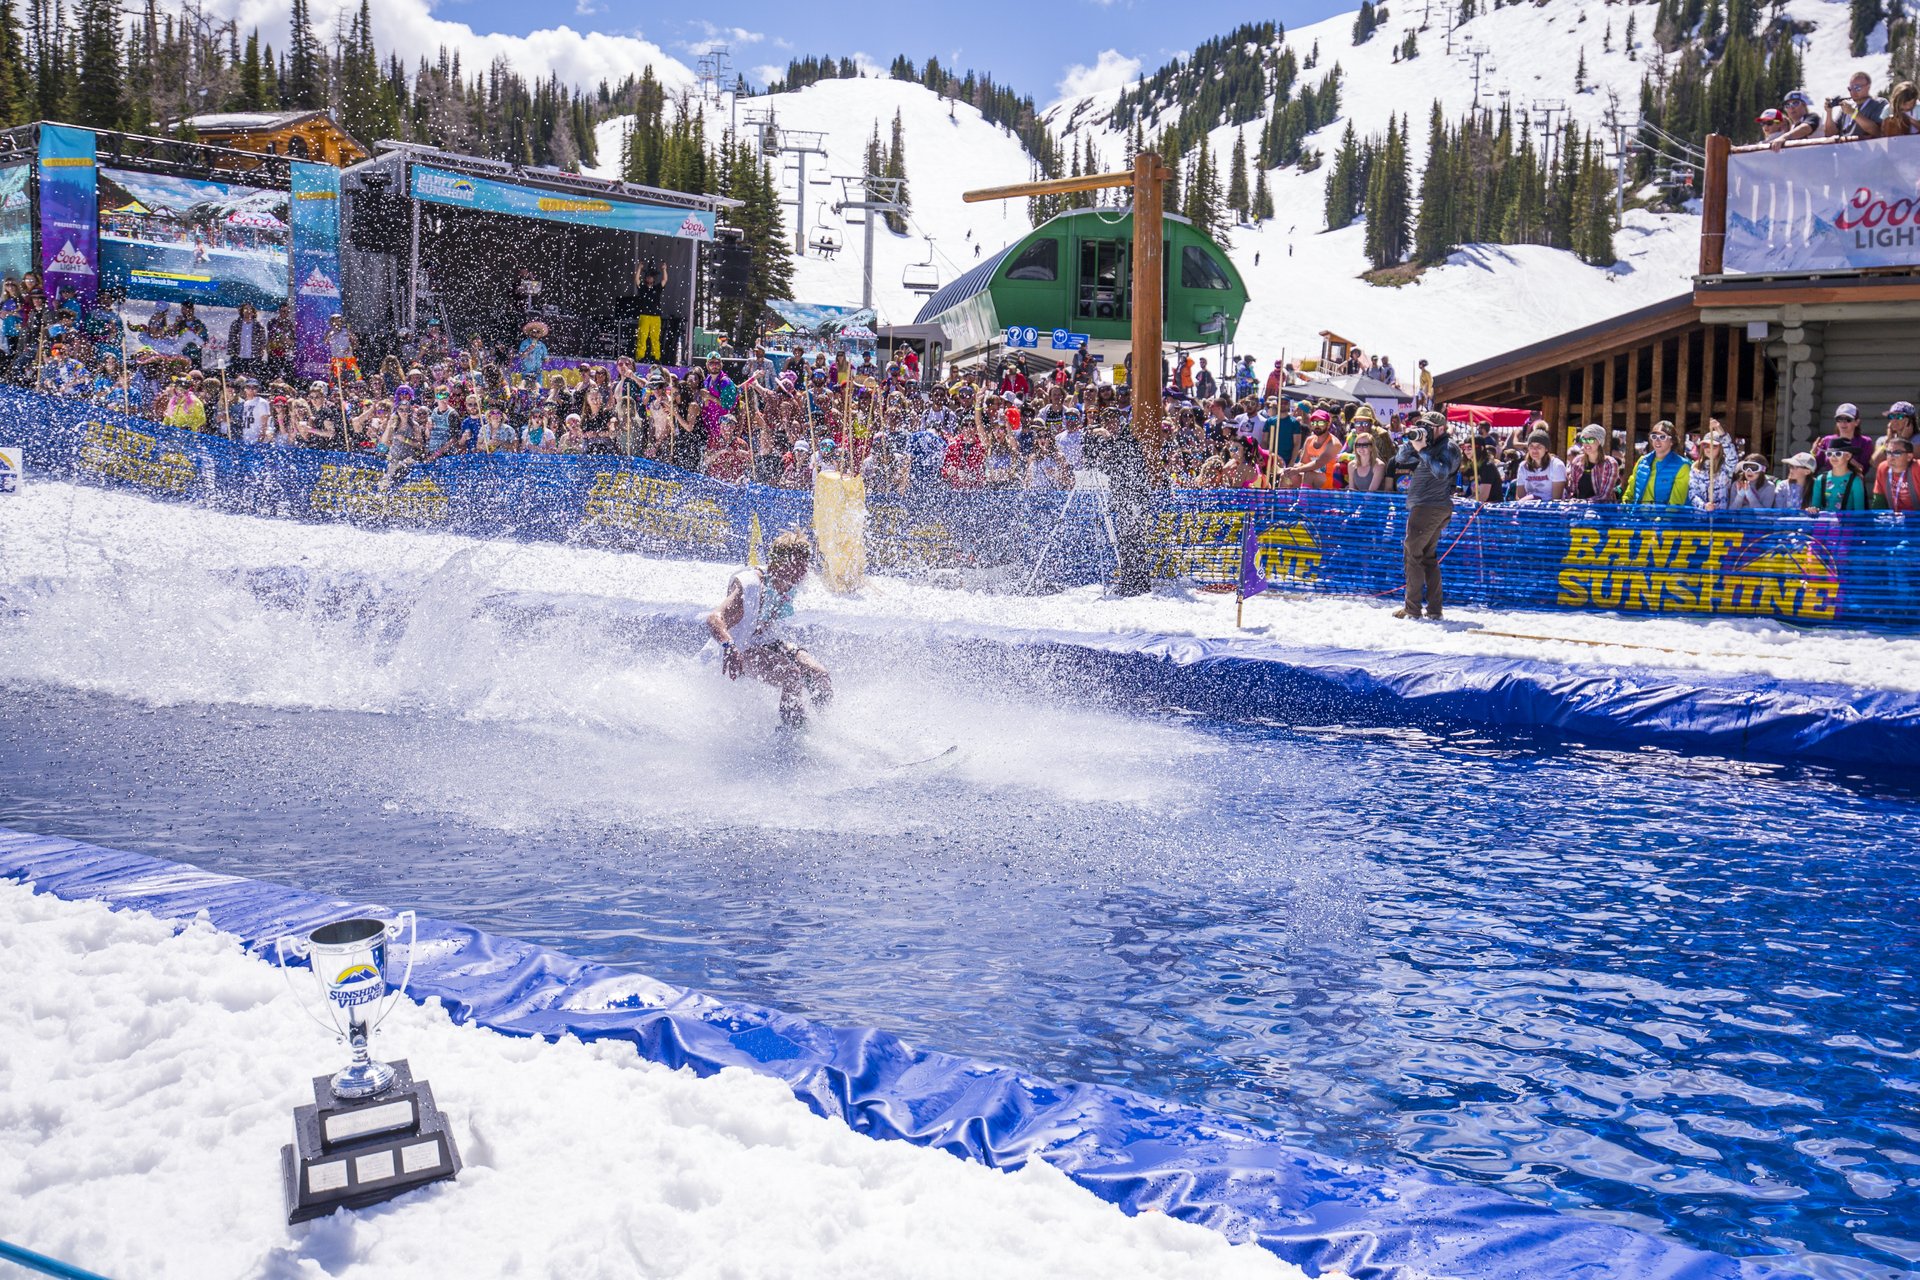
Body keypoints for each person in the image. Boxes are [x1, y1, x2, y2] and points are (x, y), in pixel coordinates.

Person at [705, 531, 833, 730]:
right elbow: (714, 618)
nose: (804, 571)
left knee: (819, 674)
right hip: (739, 650)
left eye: (805, 564)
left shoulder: (787, 584)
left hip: (765, 643)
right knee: (791, 675)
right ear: (780, 563)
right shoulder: (750, 585)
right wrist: (729, 646)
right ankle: (793, 736)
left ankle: (826, 726)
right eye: (798, 565)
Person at [1393, 412, 1461, 620]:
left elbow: (1442, 472)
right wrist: (1412, 440)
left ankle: (1412, 608)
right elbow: (1399, 460)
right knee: (1428, 558)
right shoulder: (1425, 445)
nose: (1426, 430)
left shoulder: (1449, 447)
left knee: (1412, 555)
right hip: (1425, 507)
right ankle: (1434, 609)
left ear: (1441, 428)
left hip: (1430, 507)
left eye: (1429, 427)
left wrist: (1423, 450)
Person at [1622, 420, 1691, 504]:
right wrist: (1626, 506)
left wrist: (1661, 517)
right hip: (1638, 516)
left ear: (1672, 441)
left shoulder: (1683, 466)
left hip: (1665, 516)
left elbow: (1675, 504)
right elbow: (1630, 492)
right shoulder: (1642, 461)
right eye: (1654, 437)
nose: (1657, 441)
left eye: (1662, 437)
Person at [1816, 403, 1876, 475]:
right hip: (1829, 484)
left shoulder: (1865, 442)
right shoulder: (1827, 440)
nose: (1843, 423)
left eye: (1848, 419)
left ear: (1857, 422)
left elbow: (1863, 470)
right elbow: (1814, 467)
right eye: (1839, 419)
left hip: (1854, 484)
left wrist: (1846, 458)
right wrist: (1813, 453)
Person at [1825, 70, 1887, 139]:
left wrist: (1853, 113)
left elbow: (1877, 131)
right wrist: (1829, 113)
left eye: (1857, 88)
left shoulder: (1879, 103)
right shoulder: (1848, 106)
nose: (1853, 92)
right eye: (1850, 89)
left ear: (1868, 87)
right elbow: (1830, 133)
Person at [1563, 424, 1620, 501]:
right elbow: (1572, 490)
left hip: (1601, 510)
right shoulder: (1577, 461)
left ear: (1599, 442)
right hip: (1578, 508)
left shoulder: (1610, 464)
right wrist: (1571, 499)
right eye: (1584, 440)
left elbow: (1604, 496)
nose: (1586, 443)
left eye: (1590, 440)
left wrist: (1583, 502)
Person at [1688, 427, 1738, 511]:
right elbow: (1692, 492)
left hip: (1721, 517)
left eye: (1714, 446)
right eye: (1705, 445)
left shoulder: (1726, 467)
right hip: (1699, 517)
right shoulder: (1696, 467)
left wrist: (1722, 434)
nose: (1709, 448)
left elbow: (1732, 457)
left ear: (1721, 448)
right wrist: (1704, 506)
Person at [1512, 429, 1567, 500]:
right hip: (1528, 505)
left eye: (1539, 447)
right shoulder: (1523, 466)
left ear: (1546, 449)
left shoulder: (1557, 465)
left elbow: (1556, 499)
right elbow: (1520, 497)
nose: (1534, 450)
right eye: (1531, 446)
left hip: (1550, 508)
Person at [1807, 447, 1868, 511]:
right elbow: (1816, 506)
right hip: (1825, 520)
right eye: (1829, 454)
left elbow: (1859, 512)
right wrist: (1813, 510)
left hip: (1847, 521)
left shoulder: (1856, 480)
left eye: (1838, 454)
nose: (1833, 457)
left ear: (1848, 456)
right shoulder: (1820, 479)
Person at [633, 260, 669, 363]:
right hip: (644, 315)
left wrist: (664, 269)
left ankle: (656, 358)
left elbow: (665, 280)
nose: (649, 278)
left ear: (653, 279)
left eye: (651, 277)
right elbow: (636, 280)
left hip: (655, 317)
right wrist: (639, 268)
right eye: (648, 276)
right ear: (646, 279)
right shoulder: (643, 288)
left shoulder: (657, 288)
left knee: (655, 338)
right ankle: (640, 357)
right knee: (642, 337)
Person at [1874, 436, 1919, 510]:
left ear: (1909, 456)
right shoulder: (1883, 468)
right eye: (1888, 452)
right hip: (1894, 519)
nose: (1891, 457)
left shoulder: (1918, 468)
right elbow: (1879, 500)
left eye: (1897, 453)